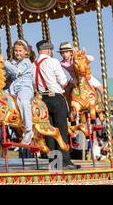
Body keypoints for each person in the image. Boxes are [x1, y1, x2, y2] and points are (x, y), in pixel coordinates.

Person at [34, 40, 81, 170]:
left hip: (42, 100)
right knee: (61, 129)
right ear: (49, 50)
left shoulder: (34, 64)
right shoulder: (52, 61)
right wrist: (72, 83)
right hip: (56, 97)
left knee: (50, 131)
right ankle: (65, 161)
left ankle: (54, 162)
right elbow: (63, 81)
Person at [3, 39, 34, 145]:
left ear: (26, 52)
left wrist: (4, 62)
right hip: (11, 89)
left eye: (20, 51)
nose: (17, 53)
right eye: (16, 51)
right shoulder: (12, 62)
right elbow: (6, 75)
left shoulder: (26, 62)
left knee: (23, 102)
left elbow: (16, 72)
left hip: (24, 88)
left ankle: (29, 130)